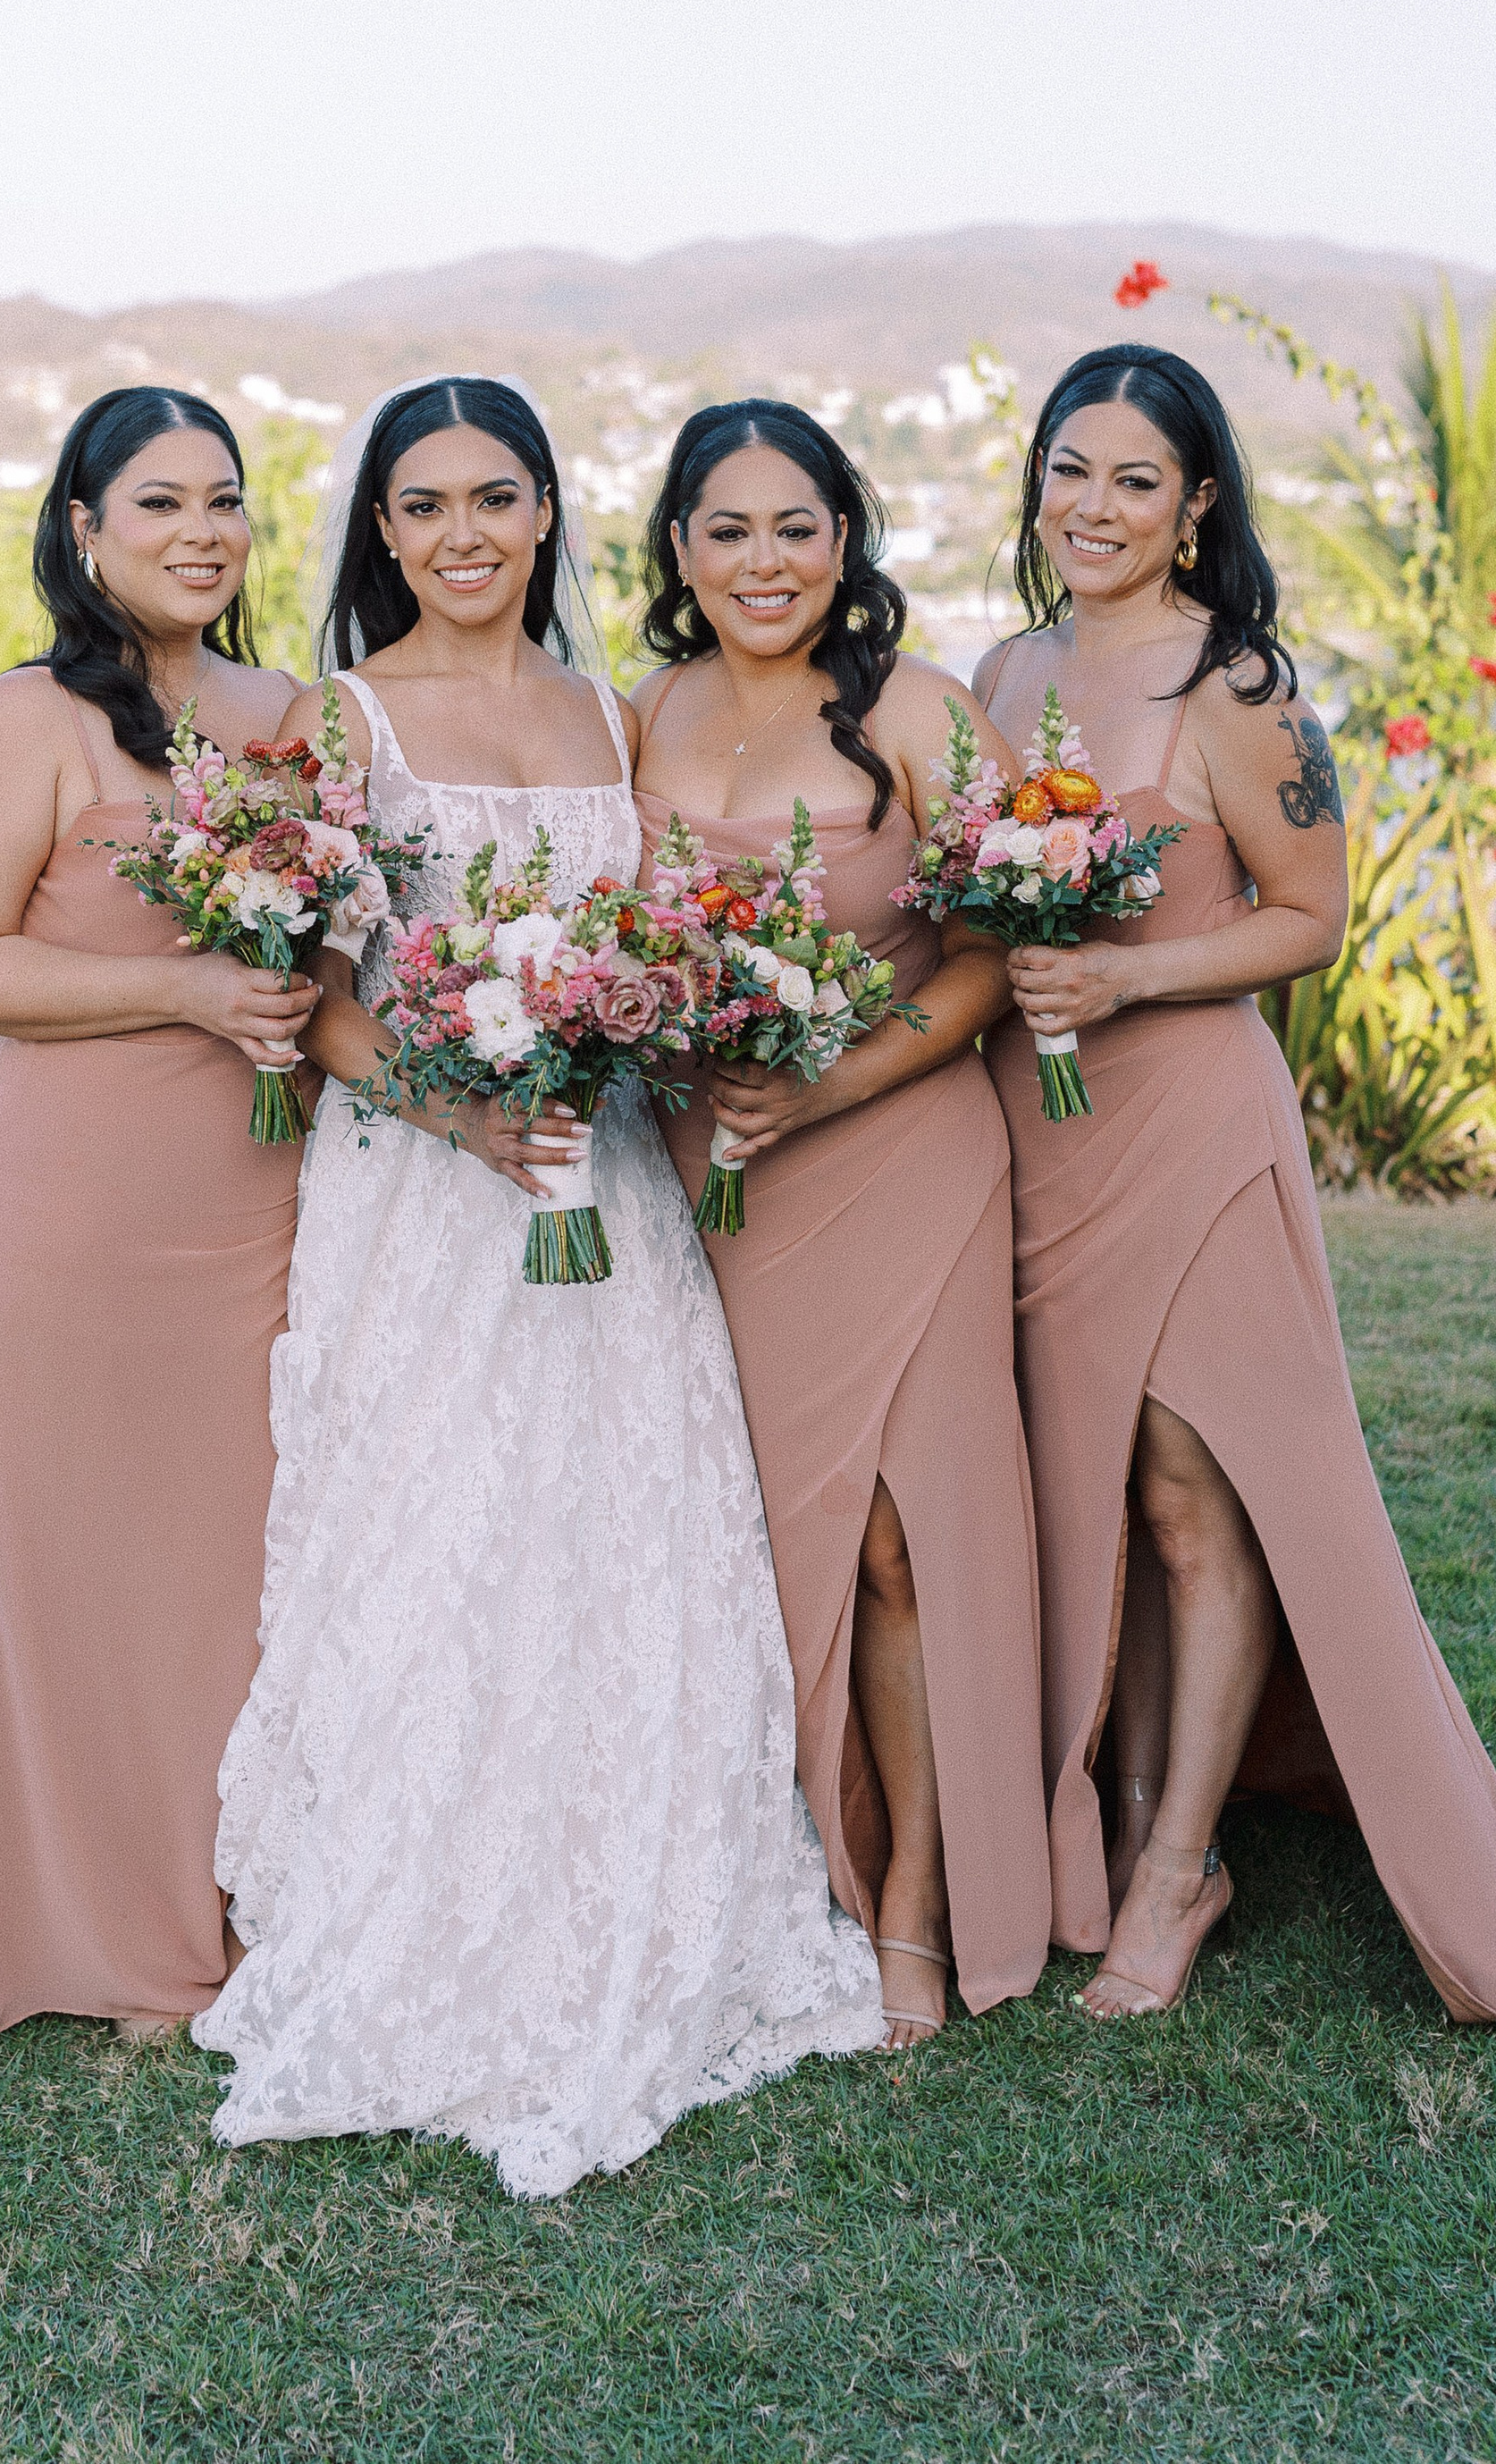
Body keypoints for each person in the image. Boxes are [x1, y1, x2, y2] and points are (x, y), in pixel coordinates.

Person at [193, 374, 883, 2199]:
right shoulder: (343, 720)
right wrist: (459, 1108)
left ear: (548, 514)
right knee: (435, 1530)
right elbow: (310, 993)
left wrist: (658, 1023)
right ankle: (418, 1908)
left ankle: (634, 1885)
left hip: (606, 1181)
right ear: (382, 530)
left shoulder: (607, 709)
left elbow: (650, 934)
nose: (464, 536)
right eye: (424, 506)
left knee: (614, 1529)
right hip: (424, 1194)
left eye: (495, 498)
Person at [978, 341, 1496, 2026]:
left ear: (1197, 503)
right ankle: (1127, 1811)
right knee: (1097, 1490)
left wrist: (1127, 976)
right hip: (1039, 1131)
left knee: (1194, 1496)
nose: (1093, 507)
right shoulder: (1001, 672)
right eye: (1070, 470)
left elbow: (1312, 920)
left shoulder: (1239, 686)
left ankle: (1178, 1869)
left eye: (1135, 479)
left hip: (1189, 1123)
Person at [0, 387, 317, 2047]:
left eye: (223, 500)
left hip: (263, 1187)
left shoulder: (291, 714)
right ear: (86, 530)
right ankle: (77, 1917)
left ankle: (230, 1887)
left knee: (228, 1552)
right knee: (70, 1550)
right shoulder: (23, 720)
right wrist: (188, 989)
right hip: (72, 1194)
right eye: (159, 503)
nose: (201, 533)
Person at [632, 400, 1052, 2045]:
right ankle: (782, 1865)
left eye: (796, 528)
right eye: (729, 530)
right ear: (678, 549)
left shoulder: (919, 711)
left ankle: (916, 1910)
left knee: (894, 1540)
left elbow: (995, 959)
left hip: (894, 1152)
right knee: (753, 1532)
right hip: (711, 1171)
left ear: (845, 539)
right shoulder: (638, 715)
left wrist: (828, 1088)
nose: (765, 563)